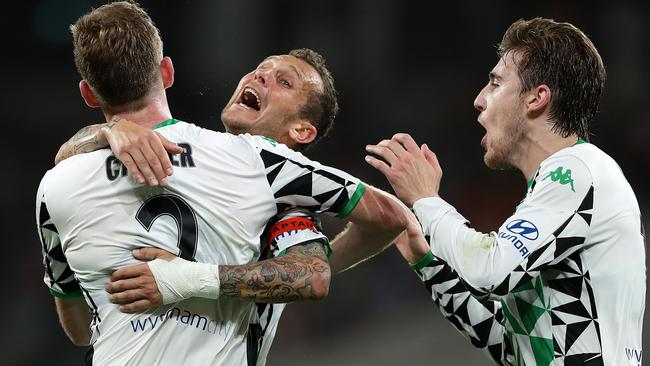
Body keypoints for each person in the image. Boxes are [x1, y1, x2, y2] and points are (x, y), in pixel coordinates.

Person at [37, 3, 407, 365]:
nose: (260, 76)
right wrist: (107, 131)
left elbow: (316, 273)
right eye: (260, 69)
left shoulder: (286, 200)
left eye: (284, 81)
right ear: (165, 73)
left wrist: (187, 279)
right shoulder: (240, 161)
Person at [366, 17, 645, 365]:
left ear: (536, 98)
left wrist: (428, 201)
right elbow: (509, 344)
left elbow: (490, 270)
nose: (479, 100)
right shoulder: (558, 191)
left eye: (495, 84)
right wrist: (425, 260)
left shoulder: (579, 170)